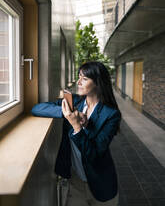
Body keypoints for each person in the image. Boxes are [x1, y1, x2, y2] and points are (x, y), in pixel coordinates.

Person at [31, 61, 121, 206]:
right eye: (79, 77)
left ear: (98, 83)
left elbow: (93, 155)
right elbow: (37, 109)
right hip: (75, 181)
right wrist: (69, 113)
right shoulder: (75, 103)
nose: (78, 82)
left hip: (101, 184)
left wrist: (76, 126)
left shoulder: (111, 115)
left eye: (84, 79)